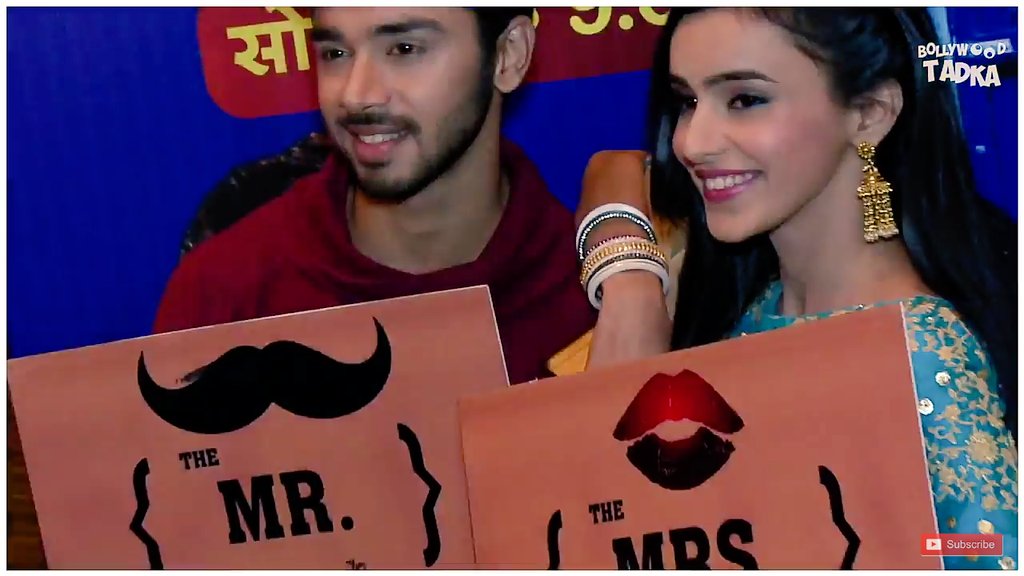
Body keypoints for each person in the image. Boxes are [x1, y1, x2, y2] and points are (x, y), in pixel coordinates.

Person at [572, 8, 1017, 569]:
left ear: (870, 113)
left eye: (745, 100)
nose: (693, 142)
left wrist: (876, 547)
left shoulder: (915, 352)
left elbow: (993, 552)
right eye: (687, 101)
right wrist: (630, 283)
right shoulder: (758, 302)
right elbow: (613, 169)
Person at [153, 8, 597, 385]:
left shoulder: (594, 292)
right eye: (335, 53)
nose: (356, 95)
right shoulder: (226, 293)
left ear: (508, 55)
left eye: (404, 49)